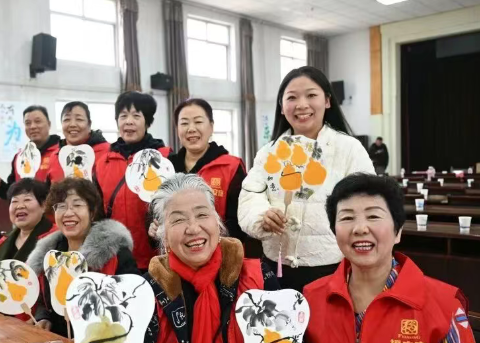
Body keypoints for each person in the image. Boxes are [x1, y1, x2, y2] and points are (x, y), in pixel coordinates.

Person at [96, 174, 313, 343]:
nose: (193, 228)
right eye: (178, 220)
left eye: (202, 215)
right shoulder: (148, 290)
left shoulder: (258, 278)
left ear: (217, 223)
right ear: (163, 235)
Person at [303, 173, 480, 343]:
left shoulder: (445, 306)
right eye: (347, 218)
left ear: (398, 232)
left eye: (373, 216)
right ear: (334, 232)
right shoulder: (310, 299)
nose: (360, 228)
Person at [238, 67, 375, 293]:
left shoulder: (349, 149)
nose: (302, 105)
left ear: (327, 101)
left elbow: (368, 201)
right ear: (281, 106)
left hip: (331, 266)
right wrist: (262, 216)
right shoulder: (269, 152)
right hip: (275, 266)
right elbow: (251, 194)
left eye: (311, 95)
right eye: (292, 97)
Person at [26, 177, 138, 337]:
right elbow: (43, 301)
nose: (68, 213)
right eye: (61, 206)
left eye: (77, 205)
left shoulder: (116, 254)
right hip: (58, 342)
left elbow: (133, 304)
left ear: (92, 212)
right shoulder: (50, 254)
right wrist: (43, 316)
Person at [95, 91, 171, 271]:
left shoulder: (165, 158)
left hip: (157, 259)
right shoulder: (102, 163)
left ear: (147, 122)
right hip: (115, 259)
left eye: (136, 116)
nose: (129, 121)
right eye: (123, 116)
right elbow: (97, 212)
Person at [0, 178, 58, 322]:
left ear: (44, 205)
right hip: (3, 321)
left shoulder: (55, 239)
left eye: (27, 200)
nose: (20, 206)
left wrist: (43, 317)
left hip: (37, 323)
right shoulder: (1, 243)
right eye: (14, 201)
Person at [169, 98, 246, 241]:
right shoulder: (167, 167)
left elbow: (239, 221)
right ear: (177, 129)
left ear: (211, 127)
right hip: (176, 250)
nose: (191, 129)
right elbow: (156, 213)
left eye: (198, 122)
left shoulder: (231, 166)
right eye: (184, 123)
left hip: (220, 249)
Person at [0, 105, 61, 199]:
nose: (33, 126)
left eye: (37, 121)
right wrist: (0, 185)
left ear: (49, 124)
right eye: (28, 123)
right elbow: (13, 194)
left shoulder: (62, 152)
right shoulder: (19, 157)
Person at [46, 102, 110, 185]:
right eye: (67, 120)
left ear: (89, 124)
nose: (72, 124)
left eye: (79, 119)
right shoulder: (55, 156)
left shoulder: (107, 152)